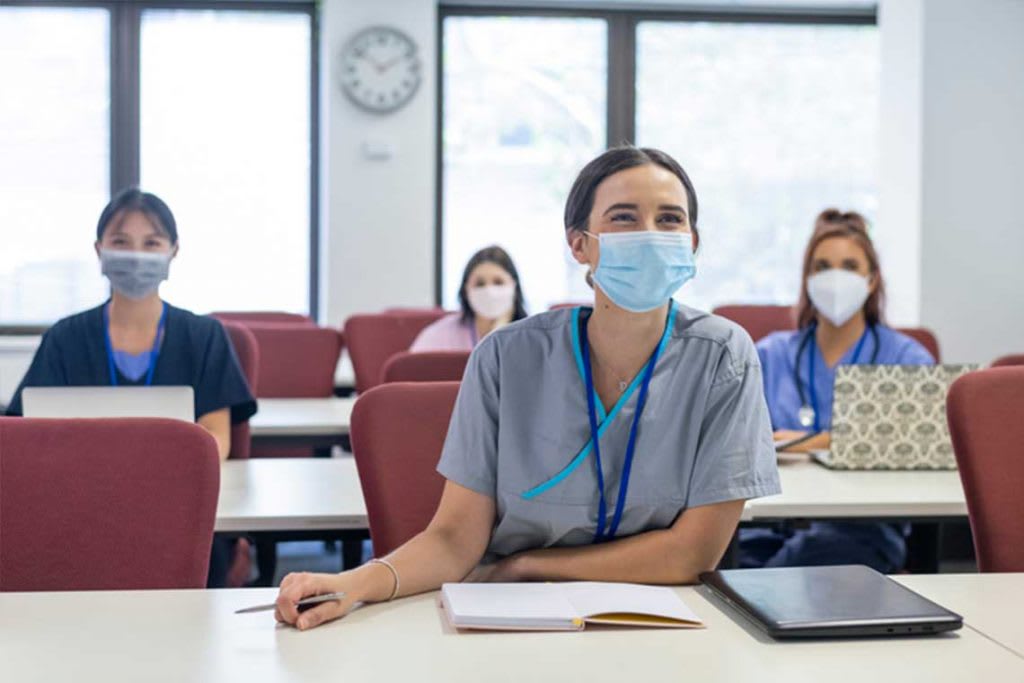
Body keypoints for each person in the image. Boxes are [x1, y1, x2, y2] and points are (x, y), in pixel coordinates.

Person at [274, 146, 781, 631]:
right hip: (511, 615)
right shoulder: (504, 358)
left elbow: (692, 553)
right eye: (624, 218)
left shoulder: (723, 355)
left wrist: (528, 567)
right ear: (579, 244)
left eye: (670, 219)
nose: (649, 234)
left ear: (692, 243)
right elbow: (454, 539)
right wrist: (354, 583)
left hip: (661, 617)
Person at [6, 187, 258, 586]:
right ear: (99, 250)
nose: (136, 254)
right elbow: (26, 437)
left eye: (151, 242)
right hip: (78, 507)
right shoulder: (66, 337)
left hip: (177, 505)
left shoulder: (205, 335)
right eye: (121, 242)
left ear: (173, 251)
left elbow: (216, 440)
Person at [739, 209, 934, 573]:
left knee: (799, 566)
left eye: (849, 266)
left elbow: (908, 446)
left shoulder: (907, 358)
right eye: (823, 267)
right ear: (808, 279)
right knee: (728, 561)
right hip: (769, 520)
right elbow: (737, 439)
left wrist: (807, 442)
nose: (835, 278)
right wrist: (832, 440)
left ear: (872, 280)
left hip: (861, 528)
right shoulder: (769, 353)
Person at [409, 246, 528, 352]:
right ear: (466, 290)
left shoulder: (531, 336)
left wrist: (500, 328)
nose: (490, 291)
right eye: (480, 284)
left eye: (498, 282)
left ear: (514, 286)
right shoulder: (438, 335)